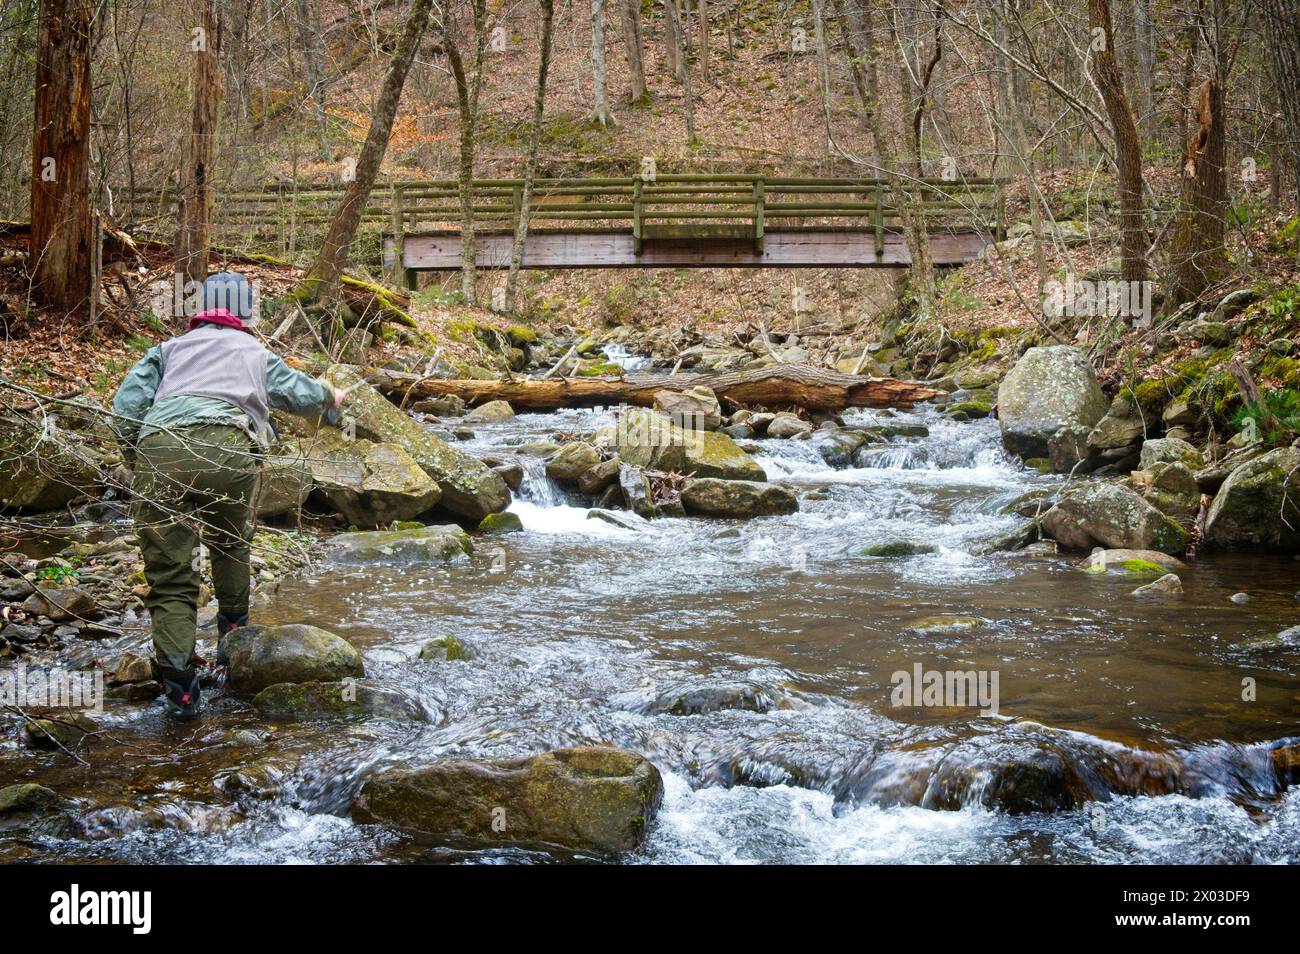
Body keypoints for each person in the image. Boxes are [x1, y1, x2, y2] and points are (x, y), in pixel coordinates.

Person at [112, 272, 344, 719]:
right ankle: (231, 645)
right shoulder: (254, 352)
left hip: (161, 450)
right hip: (229, 449)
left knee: (171, 577)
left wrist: (136, 456)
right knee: (230, 543)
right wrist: (333, 396)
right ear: (246, 313)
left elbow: (126, 410)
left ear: (200, 310)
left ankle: (180, 690)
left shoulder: (166, 351)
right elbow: (304, 395)